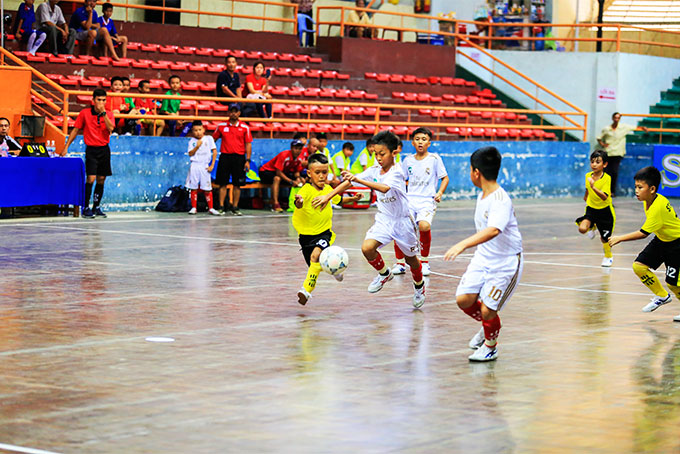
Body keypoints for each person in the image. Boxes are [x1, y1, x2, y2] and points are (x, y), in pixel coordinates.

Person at [313, 130, 426, 308]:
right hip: (384, 219)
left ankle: (419, 287)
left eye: (382, 154)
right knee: (367, 248)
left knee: (412, 261)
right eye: (376, 154)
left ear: (393, 152)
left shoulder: (397, 172)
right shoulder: (374, 170)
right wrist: (328, 197)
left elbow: (383, 188)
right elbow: (349, 182)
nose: (379, 158)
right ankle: (384, 273)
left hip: (403, 222)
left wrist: (359, 179)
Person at [443, 146, 523, 362]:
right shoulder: (483, 196)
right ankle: (489, 326)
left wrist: (462, 245)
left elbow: (493, 230)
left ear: (476, 172)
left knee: (488, 310)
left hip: (505, 262)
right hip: (483, 257)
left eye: (470, 170)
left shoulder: (500, 200)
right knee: (464, 300)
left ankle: (490, 346)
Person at [609, 166, 680, 320]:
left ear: (652, 188)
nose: (636, 191)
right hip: (661, 240)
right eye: (635, 187)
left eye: (640, 187)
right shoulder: (647, 200)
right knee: (639, 267)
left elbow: (643, 233)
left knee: (674, 284)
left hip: (676, 244)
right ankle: (662, 296)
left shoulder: (657, 207)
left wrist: (619, 238)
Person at [292, 153, 360, 305]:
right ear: (309, 173)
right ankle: (335, 268)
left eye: (325, 172)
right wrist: (299, 201)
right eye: (317, 173)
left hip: (324, 233)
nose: (322, 176)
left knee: (315, 256)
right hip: (305, 237)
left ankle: (306, 291)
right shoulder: (306, 190)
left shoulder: (328, 189)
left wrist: (353, 199)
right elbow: (299, 203)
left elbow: (340, 200)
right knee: (315, 266)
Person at [392, 127, 449, 276]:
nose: (420, 142)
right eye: (417, 139)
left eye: (424, 139)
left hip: (426, 201)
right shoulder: (408, 160)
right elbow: (401, 179)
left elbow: (445, 178)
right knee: (400, 227)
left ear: (429, 143)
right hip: (409, 200)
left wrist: (440, 192)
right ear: (412, 142)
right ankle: (400, 263)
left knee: (424, 226)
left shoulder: (434, 159)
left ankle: (424, 262)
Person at [63, 88, 115, 219]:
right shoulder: (85, 113)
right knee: (90, 178)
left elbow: (111, 129)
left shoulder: (109, 114)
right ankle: (85, 207)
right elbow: (75, 130)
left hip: (104, 149)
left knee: (102, 178)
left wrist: (104, 114)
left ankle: (96, 206)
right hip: (91, 149)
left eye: (104, 100)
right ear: (93, 100)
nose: (101, 103)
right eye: (99, 100)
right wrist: (66, 146)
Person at [575, 150, 615, 267]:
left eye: (598, 162)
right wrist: (586, 195)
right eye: (592, 162)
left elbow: (604, 197)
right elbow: (588, 188)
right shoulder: (588, 176)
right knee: (582, 229)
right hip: (591, 209)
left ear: (605, 164)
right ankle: (592, 226)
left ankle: (608, 257)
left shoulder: (607, 178)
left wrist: (593, 187)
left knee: (605, 239)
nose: (594, 164)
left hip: (605, 212)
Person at [212, 104, 253, 216]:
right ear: (228, 113)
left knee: (237, 184)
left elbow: (248, 144)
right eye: (232, 111)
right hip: (225, 157)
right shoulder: (221, 126)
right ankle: (221, 207)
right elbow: (212, 140)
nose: (234, 114)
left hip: (239, 158)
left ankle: (235, 207)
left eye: (236, 111)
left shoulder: (245, 128)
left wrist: (247, 160)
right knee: (222, 183)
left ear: (239, 113)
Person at [596, 112, 647, 197]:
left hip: (618, 153)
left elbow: (635, 128)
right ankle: (604, 190)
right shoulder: (607, 129)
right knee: (606, 172)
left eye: (618, 118)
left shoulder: (624, 127)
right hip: (608, 152)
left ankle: (612, 191)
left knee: (614, 172)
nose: (616, 119)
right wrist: (603, 144)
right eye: (615, 118)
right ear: (612, 118)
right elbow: (599, 138)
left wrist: (643, 128)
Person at [259, 139, 306, 212]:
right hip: (266, 171)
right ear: (291, 148)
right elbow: (278, 172)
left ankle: (295, 203)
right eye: (296, 148)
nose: (298, 151)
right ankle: (275, 204)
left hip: (282, 173)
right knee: (277, 178)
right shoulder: (284, 155)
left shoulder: (300, 158)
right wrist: (291, 181)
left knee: (302, 180)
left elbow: (296, 172)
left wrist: (298, 178)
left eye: (300, 149)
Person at [185, 121, 220, 216]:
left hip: (205, 165)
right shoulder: (192, 141)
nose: (198, 132)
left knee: (207, 188)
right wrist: (197, 146)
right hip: (195, 165)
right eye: (195, 130)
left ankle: (211, 208)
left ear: (203, 129)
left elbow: (214, 152)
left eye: (200, 130)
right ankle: (194, 207)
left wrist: (212, 165)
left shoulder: (209, 139)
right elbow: (190, 154)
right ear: (192, 131)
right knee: (194, 187)